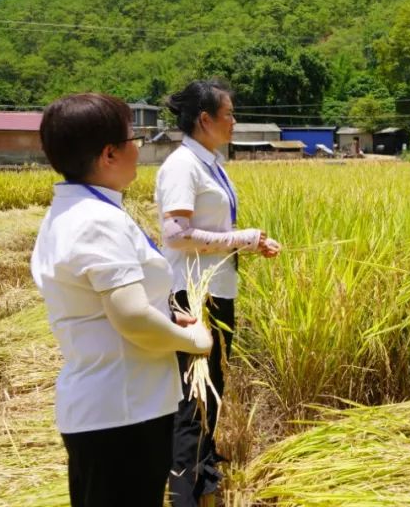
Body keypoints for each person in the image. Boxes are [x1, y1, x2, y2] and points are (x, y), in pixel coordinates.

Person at [31, 93, 213, 507]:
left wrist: (168, 320)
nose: (141, 146)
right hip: (124, 412)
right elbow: (131, 318)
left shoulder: (73, 212)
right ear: (109, 153)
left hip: (110, 407)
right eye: (135, 137)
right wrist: (195, 341)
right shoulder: (97, 222)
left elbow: (114, 308)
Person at [156, 79, 281, 507]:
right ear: (204, 119)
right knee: (194, 397)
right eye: (228, 114)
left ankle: (204, 483)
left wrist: (251, 242)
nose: (234, 121)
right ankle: (184, 495)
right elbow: (175, 234)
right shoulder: (181, 166)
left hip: (216, 291)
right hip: (192, 296)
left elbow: (214, 232)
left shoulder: (211, 163)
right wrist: (240, 238)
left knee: (212, 392)